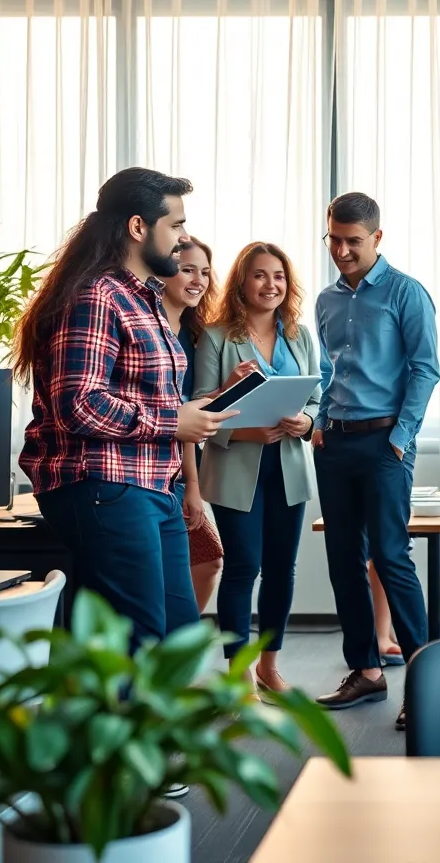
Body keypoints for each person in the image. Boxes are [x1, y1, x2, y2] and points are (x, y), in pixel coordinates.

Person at [13, 167, 238, 648]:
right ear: (138, 227)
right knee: (138, 644)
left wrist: (201, 408)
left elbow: (144, 397)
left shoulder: (145, 300)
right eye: (175, 225)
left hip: (153, 487)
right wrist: (174, 421)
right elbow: (79, 403)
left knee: (177, 640)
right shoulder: (96, 296)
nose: (182, 239)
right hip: (105, 486)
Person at [313, 192, 439, 732]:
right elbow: (327, 370)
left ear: (377, 239)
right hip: (335, 444)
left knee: (391, 557)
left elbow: (426, 370)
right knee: (343, 558)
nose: (342, 251)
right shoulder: (325, 300)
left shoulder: (406, 293)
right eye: (334, 240)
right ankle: (365, 669)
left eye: (353, 242)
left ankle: (425, 684)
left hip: (385, 442)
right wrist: (318, 420)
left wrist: (401, 438)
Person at [195, 242, 321, 693]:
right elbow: (198, 409)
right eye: (260, 275)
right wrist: (243, 433)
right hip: (236, 469)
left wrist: (306, 420)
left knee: (281, 569)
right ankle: (237, 675)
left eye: (279, 276)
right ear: (242, 283)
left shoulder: (300, 335)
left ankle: (269, 667)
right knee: (243, 567)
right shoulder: (214, 337)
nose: (272, 285)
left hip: (288, 467)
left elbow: (317, 397)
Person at [160, 237, 241, 612]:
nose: (198, 280)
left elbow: (192, 414)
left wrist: (227, 389)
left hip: (177, 469)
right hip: (149, 471)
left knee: (208, 561)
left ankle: (173, 656)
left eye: (205, 272)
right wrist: (191, 486)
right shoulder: (147, 326)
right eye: (188, 269)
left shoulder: (193, 336)